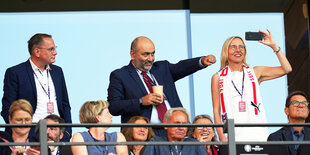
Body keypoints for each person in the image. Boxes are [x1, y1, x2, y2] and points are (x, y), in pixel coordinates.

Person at [108, 36, 216, 136]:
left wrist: (201, 61)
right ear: (133, 54)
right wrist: (141, 101)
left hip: (173, 131)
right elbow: (113, 106)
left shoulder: (162, 68)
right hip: (145, 134)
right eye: (145, 54)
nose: (150, 59)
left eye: (152, 54)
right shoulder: (120, 75)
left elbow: (182, 67)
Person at [211, 29, 292, 141]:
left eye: (241, 46)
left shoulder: (255, 72)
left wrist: (274, 46)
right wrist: (222, 138)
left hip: (257, 133)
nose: (238, 50)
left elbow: (286, 69)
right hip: (232, 135)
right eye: (233, 47)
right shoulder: (218, 77)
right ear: (226, 51)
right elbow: (216, 111)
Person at [1, 33, 72, 141]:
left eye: (55, 48)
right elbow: (8, 108)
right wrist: (22, 133)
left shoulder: (58, 71)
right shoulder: (16, 72)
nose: (55, 52)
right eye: (51, 49)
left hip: (57, 135)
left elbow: (65, 104)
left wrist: (67, 131)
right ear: (37, 52)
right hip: (30, 134)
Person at [141, 107, 208, 155]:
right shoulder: (156, 142)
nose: (181, 128)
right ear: (166, 125)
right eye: (177, 123)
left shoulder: (194, 144)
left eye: (184, 124)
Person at [268, 91, 310, 155]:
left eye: (304, 103)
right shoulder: (275, 138)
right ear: (286, 111)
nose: (301, 105)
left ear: (308, 112)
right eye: (295, 103)